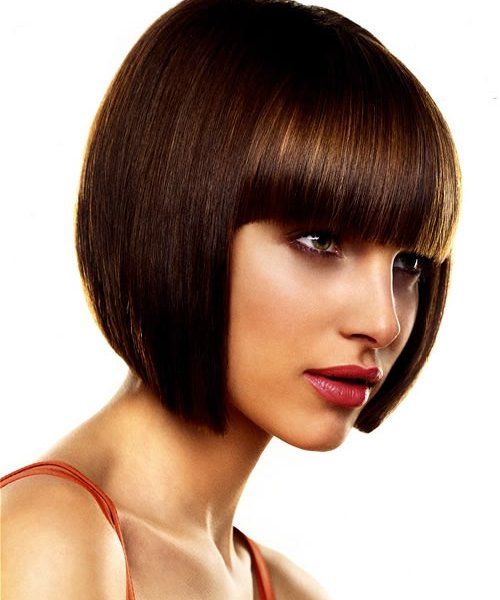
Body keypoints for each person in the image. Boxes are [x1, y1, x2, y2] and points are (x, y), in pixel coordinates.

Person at [1, 0, 461, 598]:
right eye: (320, 241)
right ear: (174, 219)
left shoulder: (289, 589)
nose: (384, 321)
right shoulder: (50, 541)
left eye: (409, 264)